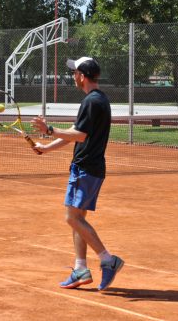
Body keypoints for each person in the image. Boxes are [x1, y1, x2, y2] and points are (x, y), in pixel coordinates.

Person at [31, 57, 124, 292]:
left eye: (74, 72)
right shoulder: (97, 99)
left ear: (82, 76)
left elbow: (80, 135)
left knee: (72, 219)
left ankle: (107, 260)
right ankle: (80, 268)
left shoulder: (92, 101)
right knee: (78, 221)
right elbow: (76, 133)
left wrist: (49, 130)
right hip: (91, 168)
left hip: (86, 168)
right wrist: (46, 147)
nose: (72, 76)